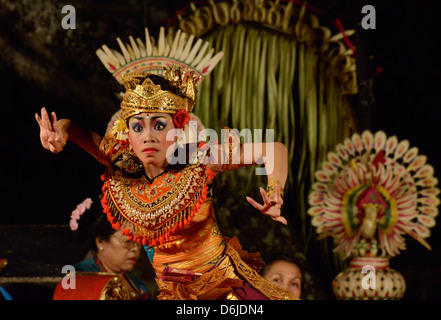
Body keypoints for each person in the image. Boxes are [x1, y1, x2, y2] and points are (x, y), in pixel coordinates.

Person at [35, 66, 297, 300]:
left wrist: (275, 192)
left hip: (222, 290)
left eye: (159, 125)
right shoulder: (121, 162)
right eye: (138, 127)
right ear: (128, 134)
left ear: (177, 129)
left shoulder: (198, 158)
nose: (148, 136)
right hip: (173, 294)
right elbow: (77, 130)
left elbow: (274, 150)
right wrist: (61, 132)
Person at [65, 198, 151, 300]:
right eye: (127, 242)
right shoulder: (80, 277)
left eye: (139, 241)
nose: (135, 249)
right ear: (101, 242)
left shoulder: (139, 285)